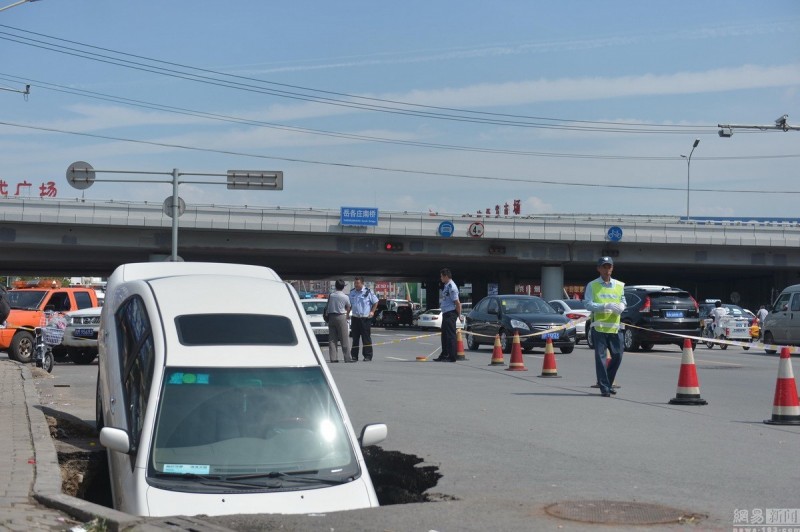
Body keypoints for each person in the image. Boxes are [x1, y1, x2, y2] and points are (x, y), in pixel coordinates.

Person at [583, 257, 626, 397]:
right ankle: (604, 388)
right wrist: (604, 306)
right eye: (604, 267)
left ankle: (607, 382)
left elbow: (623, 300)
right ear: (599, 269)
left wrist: (622, 306)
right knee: (601, 359)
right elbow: (587, 304)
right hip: (599, 327)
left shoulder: (619, 285)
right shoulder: (592, 285)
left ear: (612, 268)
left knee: (618, 356)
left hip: (615, 327)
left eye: (609, 267)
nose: (607, 270)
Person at [435, 268, 463, 362]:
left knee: (450, 335)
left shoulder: (452, 287)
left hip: (450, 313)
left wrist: (459, 315)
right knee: (444, 335)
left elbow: (457, 302)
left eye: (442, 276)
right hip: (446, 313)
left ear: (446, 276)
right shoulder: (447, 285)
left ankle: (452, 357)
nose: (441, 278)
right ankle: (444, 354)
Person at [349, 276, 378, 361]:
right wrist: (347, 314)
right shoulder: (352, 292)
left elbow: (376, 302)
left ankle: (368, 356)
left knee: (366, 338)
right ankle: (354, 356)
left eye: (357, 283)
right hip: (355, 318)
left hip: (365, 319)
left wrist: (372, 311)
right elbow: (350, 305)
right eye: (355, 283)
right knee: (355, 338)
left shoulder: (368, 292)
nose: (356, 285)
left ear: (362, 283)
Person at [326, 279, 351, 363]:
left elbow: (328, 306)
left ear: (335, 286)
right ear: (343, 287)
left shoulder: (331, 295)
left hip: (331, 317)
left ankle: (333, 358)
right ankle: (347, 358)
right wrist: (347, 315)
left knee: (332, 339)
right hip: (341, 317)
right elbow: (348, 306)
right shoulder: (345, 297)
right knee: (344, 338)